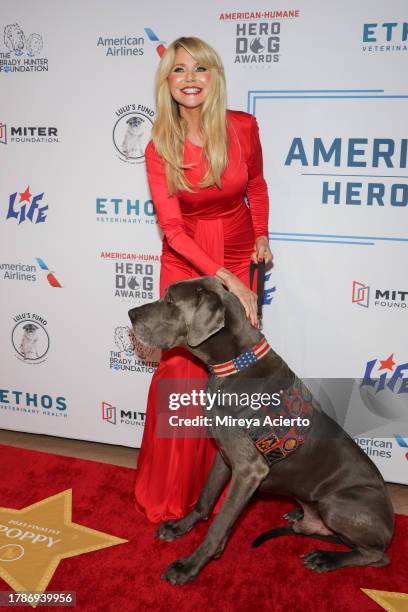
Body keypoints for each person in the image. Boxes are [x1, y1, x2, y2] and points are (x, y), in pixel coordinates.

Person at [134, 36, 273, 523]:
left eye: (200, 69)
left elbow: (255, 185)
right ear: (167, 83)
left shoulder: (243, 126)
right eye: (178, 70)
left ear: (214, 76)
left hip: (238, 248)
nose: (190, 78)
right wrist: (227, 281)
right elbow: (171, 230)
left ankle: (225, 481)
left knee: (233, 369)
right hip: (187, 258)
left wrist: (262, 236)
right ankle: (175, 491)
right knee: (181, 371)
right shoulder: (160, 145)